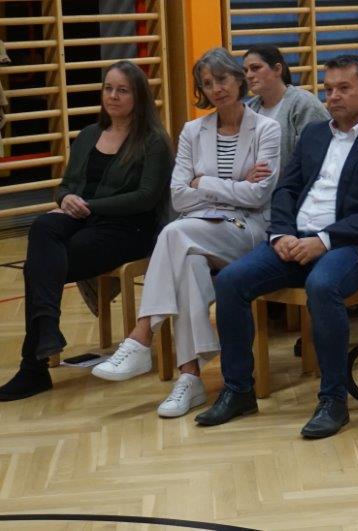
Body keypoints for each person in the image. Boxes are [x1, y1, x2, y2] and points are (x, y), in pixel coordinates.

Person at [197, 55, 358, 439]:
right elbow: (286, 189)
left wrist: (323, 241)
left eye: (343, 88)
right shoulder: (314, 134)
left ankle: (333, 400)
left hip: (353, 246)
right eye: (328, 89)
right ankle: (239, 390)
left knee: (322, 285)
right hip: (295, 240)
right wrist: (281, 234)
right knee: (230, 281)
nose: (333, 97)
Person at [88, 48, 282, 417]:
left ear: (238, 80)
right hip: (200, 227)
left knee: (174, 234)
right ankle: (190, 378)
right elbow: (178, 195)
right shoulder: (193, 131)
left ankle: (142, 335)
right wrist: (234, 185)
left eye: (222, 79)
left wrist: (203, 181)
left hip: (248, 230)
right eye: (207, 83)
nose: (216, 88)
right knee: (188, 263)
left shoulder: (266, 129)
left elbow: (258, 196)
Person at [0, 61, 172, 401]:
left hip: (129, 228)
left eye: (122, 90)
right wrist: (65, 199)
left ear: (138, 97)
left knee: (40, 266)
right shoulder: (90, 134)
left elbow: (146, 197)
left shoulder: (153, 142)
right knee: (43, 226)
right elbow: (66, 186)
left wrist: (89, 205)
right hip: (84, 218)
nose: (113, 96)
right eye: (108, 88)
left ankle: (34, 367)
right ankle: (46, 334)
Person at [243, 45, 329, 170]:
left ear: (277, 69)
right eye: (246, 71)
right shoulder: (249, 108)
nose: (249, 75)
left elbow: (318, 156)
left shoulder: (304, 104)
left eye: (255, 68)